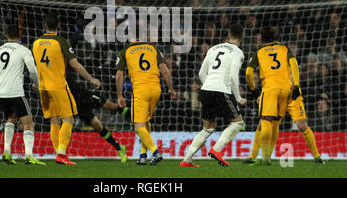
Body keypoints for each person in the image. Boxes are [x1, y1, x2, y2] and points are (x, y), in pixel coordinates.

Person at [32, 12, 101, 165]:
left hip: (43, 87)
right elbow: (75, 65)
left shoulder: (36, 43)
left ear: (45, 26)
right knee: (69, 118)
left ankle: (59, 154)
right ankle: (61, 153)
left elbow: (36, 67)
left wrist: (35, 83)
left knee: (54, 120)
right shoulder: (61, 41)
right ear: (58, 25)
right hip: (58, 86)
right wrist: (91, 78)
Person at [180, 24, 247, 168]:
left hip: (205, 89)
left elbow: (201, 74)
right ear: (243, 36)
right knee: (237, 123)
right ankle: (216, 150)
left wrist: (209, 86)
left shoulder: (213, 48)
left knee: (208, 128)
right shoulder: (238, 52)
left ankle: (186, 160)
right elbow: (234, 77)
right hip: (221, 90)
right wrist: (238, 97)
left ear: (229, 34)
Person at [65, 28, 130, 163]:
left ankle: (130, 113)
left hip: (82, 93)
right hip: (74, 102)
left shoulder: (65, 62)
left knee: (108, 105)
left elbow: (73, 58)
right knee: (98, 126)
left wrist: (75, 36)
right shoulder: (51, 69)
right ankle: (119, 148)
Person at [0, 23, 45, 165]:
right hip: (15, 92)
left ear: (5, 35)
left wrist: (0, 78)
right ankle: (29, 156)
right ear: (20, 35)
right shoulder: (23, 50)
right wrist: (36, 85)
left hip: (0, 92)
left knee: (11, 118)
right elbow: (33, 70)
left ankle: (6, 152)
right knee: (28, 123)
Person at [115, 32, 176, 166]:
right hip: (156, 89)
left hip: (140, 90)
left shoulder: (126, 50)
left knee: (138, 126)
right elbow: (165, 70)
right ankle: (143, 155)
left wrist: (119, 95)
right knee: (145, 122)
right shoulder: (153, 48)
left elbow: (119, 75)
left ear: (130, 38)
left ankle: (155, 152)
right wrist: (171, 89)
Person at [244, 26, 301, 166]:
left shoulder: (259, 52)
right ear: (276, 37)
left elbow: (248, 73)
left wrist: (253, 89)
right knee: (275, 123)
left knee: (266, 121)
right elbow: (294, 64)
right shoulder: (285, 49)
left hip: (270, 89)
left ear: (262, 38)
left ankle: (264, 158)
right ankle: (267, 157)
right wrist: (296, 85)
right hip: (285, 89)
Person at [243, 86, 325, 164]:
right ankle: (254, 157)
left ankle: (317, 156)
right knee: (264, 123)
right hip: (276, 95)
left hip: (293, 97)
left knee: (301, 125)